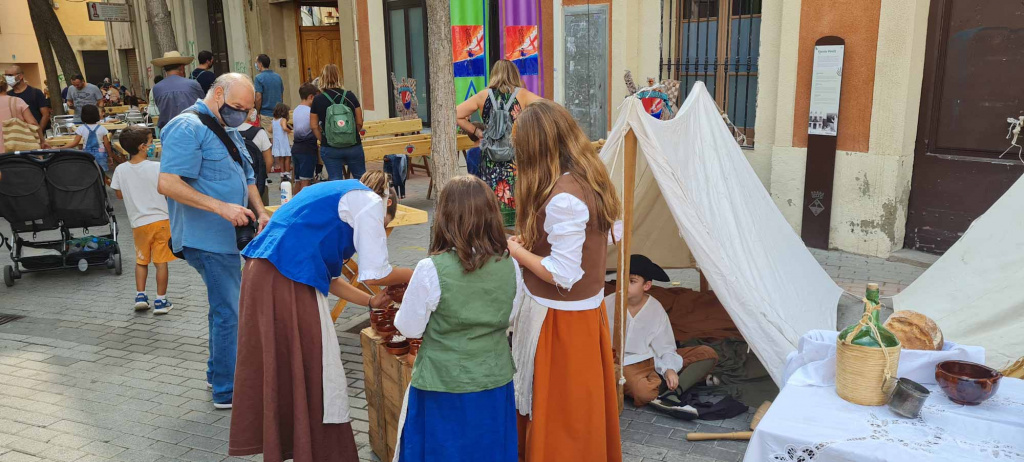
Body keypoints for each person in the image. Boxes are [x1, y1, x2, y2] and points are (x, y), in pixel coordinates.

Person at [229, 170, 413, 462]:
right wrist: (424, 273)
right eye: (384, 224)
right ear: (387, 205)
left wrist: (371, 301)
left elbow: (326, 275)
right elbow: (377, 272)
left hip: (266, 275)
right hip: (283, 279)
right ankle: (318, 452)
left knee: (292, 367)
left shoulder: (334, 193)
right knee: (317, 368)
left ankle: (301, 448)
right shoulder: (368, 202)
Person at [506, 100, 622, 462]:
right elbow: (605, 233)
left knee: (562, 419)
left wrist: (514, 249)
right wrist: (534, 242)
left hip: (561, 322)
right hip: (582, 317)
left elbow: (564, 274)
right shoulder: (588, 178)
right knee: (577, 413)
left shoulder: (564, 198)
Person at [158, 73, 269, 409]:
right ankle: (227, 389)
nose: (242, 115)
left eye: (248, 110)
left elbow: (246, 175)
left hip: (227, 238)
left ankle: (217, 374)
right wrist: (221, 207)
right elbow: (168, 183)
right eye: (237, 107)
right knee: (230, 312)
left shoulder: (226, 127)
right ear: (218, 93)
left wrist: (261, 212)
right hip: (205, 238)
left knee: (224, 309)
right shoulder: (186, 127)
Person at [392, 175, 521, 462]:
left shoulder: (431, 268)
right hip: (493, 380)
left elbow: (408, 327)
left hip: (443, 385)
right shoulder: (512, 266)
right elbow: (511, 316)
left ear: (446, 217)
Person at [604, 254, 719, 413]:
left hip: (653, 360)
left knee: (707, 353)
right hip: (625, 363)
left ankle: (672, 389)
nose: (624, 285)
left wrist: (669, 368)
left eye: (631, 281)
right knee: (643, 392)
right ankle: (674, 384)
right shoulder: (607, 303)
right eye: (622, 279)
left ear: (646, 286)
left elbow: (665, 346)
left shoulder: (655, 309)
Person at [456, 60, 542, 227]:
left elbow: (457, 114)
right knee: (516, 191)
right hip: (515, 157)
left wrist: (477, 132)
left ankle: (492, 228)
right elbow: (550, 108)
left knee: (491, 191)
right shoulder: (522, 95)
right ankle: (516, 230)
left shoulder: (483, 96)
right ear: (515, 74)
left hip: (490, 157)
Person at [110, 126, 176, 314]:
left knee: (141, 260)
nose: (151, 145)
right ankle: (161, 301)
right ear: (141, 147)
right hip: (161, 220)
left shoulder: (121, 170)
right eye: (149, 142)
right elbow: (167, 189)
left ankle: (140, 295)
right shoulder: (157, 167)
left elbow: (119, 194)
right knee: (160, 261)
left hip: (138, 223)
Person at [310, 64, 364, 180]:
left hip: (330, 148)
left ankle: (340, 198)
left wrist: (324, 139)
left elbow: (314, 126)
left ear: (322, 78)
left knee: (335, 181)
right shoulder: (350, 96)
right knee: (362, 180)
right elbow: (359, 122)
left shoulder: (318, 100)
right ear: (339, 77)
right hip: (353, 146)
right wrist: (351, 135)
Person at [151, 51, 205, 129]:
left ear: (165, 69)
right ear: (182, 68)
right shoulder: (193, 84)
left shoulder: (157, 88)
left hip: (168, 131)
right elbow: (203, 106)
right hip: (192, 129)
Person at [0, 77, 45, 151]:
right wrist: (42, 141)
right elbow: (33, 122)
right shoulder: (16, 101)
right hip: (15, 149)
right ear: (6, 86)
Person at [238, 114, 274, 206]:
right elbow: (269, 161)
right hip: (257, 185)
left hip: (234, 186)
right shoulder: (259, 133)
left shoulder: (226, 131)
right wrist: (261, 175)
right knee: (261, 215)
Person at [5, 65, 51, 135]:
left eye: (10, 75)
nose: (7, 78)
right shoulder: (8, 95)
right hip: (18, 136)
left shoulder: (35, 92)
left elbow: (45, 114)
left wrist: (39, 132)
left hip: (36, 133)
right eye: (6, 76)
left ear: (20, 76)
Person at [291, 83, 319, 196]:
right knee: (306, 182)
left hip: (296, 148)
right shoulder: (310, 112)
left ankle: (293, 205)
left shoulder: (296, 110)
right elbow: (315, 127)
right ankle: (303, 206)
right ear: (311, 97)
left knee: (297, 180)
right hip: (307, 149)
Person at [70, 105, 114, 173]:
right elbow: (107, 144)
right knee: (101, 172)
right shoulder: (102, 128)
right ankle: (104, 182)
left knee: (89, 172)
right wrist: (110, 156)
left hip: (87, 153)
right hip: (100, 152)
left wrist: (61, 148)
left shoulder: (81, 128)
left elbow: (75, 143)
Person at [253, 54, 283, 138]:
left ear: (260, 64)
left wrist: (257, 112)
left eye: (256, 62)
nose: (256, 64)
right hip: (278, 113)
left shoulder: (259, 78)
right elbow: (281, 94)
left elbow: (258, 97)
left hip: (265, 114)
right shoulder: (278, 77)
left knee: (269, 139)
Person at [271, 103, 292, 181]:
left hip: (277, 142)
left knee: (280, 157)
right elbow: (284, 128)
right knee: (287, 157)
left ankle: (282, 172)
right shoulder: (283, 119)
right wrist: (290, 131)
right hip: (283, 141)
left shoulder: (273, 120)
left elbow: (270, 129)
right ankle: (287, 172)